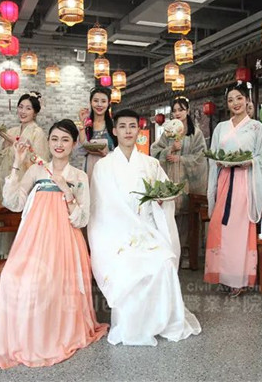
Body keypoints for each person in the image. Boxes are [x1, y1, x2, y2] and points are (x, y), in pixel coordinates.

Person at [0, 119, 108, 368]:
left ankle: (52, 335)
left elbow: (82, 219)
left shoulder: (78, 176)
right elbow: (14, 203)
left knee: (52, 284)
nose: (59, 144)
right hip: (33, 239)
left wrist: (67, 191)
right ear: (48, 142)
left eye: (65, 139)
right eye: (54, 139)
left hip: (65, 242)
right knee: (12, 278)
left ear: (74, 144)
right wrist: (17, 162)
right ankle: (26, 337)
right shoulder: (36, 170)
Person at [88, 108, 201, 346]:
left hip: (148, 231)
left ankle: (161, 321)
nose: (128, 131)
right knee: (129, 265)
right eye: (122, 126)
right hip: (117, 234)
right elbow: (101, 208)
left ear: (139, 130)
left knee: (163, 262)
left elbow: (165, 193)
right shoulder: (103, 167)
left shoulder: (150, 164)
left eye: (132, 126)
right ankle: (131, 326)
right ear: (114, 131)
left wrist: (162, 200)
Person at [205, 82, 262, 297]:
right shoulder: (221, 127)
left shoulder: (256, 127)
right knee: (219, 226)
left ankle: (238, 279)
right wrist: (219, 163)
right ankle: (223, 275)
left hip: (244, 182)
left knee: (239, 230)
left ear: (247, 100)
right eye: (231, 100)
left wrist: (249, 162)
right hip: (224, 179)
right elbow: (213, 155)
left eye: (239, 98)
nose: (235, 103)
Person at [0, 91, 48, 259]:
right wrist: (6, 143)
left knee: (22, 221)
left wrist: (24, 150)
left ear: (35, 112)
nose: (23, 111)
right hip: (7, 181)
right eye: (20, 107)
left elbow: (40, 161)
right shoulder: (12, 130)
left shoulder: (37, 133)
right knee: (4, 218)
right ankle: (4, 255)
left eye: (28, 108)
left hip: (25, 185)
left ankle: (23, 258)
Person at [151, 96, 208, 268]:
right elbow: (154, 151)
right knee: (170, 216)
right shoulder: (167, 134)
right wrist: (170, 149)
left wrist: (180, 158)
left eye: (181, 110)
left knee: (187, 217)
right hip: (170, 179)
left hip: (188, 183)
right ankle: (171, 252)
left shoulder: (195, 134)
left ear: (187, 111)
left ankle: (187, 253)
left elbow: (201, 157)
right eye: (174, 110)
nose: (177, 113)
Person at [77, 86, 117, 180]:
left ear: (108, 103)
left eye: (103, 101)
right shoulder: (86, 124)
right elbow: (81, 149)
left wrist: (108, 153)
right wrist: (82, 122)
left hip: (109, 170)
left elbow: (120, 150)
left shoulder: (114, 125)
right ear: (90, 102)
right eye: (96, 101)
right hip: (90, 168)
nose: (99, 104)